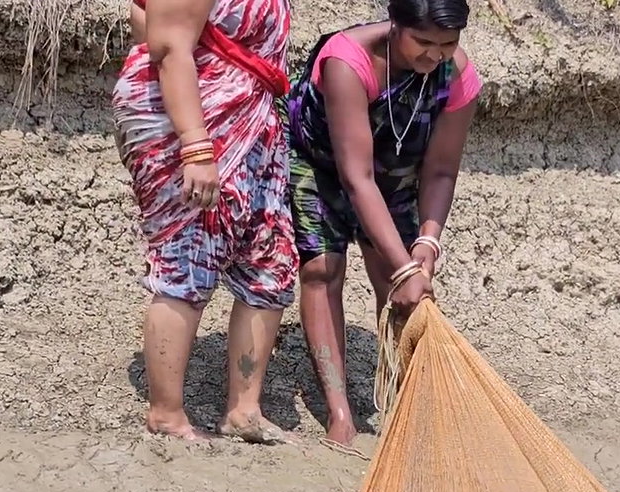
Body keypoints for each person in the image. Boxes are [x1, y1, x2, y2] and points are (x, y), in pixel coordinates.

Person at [286, 0, 482, 446]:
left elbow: (440, 172)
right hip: (320, 165)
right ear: (395, 25)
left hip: (395, 172)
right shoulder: (347, 61)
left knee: (398, 286)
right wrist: (406, 267)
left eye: (447, 44)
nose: (434, 55)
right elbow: (356, 178)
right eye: (423, 42)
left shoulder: (458, 77)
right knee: (322, 269)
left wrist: (426, 245)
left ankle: (401, 405)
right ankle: (339, 412)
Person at [112, 0, 296, 443]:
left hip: (251, 118)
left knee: (270, 262)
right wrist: (195, 145)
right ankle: (167, 415)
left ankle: (244, 411)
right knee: (189, 255)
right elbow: (168, 44)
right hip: (195, 124)